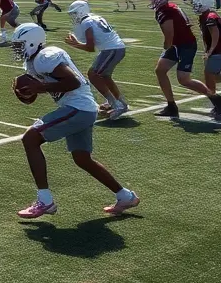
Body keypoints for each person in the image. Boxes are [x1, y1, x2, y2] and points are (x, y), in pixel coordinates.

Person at [9, 23, 140, 218]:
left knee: (30, 138)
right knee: (82, 158)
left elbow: (73, 82)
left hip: (79, 108)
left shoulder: (46, 56)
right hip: (81, 109)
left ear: (32, 42)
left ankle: (45, 201)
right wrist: (29, 91)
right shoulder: (35, 61)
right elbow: (42, 85)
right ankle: (125, 196)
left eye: (20, 45)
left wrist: (40, 88)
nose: (17, 50)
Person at [148, 0, 221, 118]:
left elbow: (169, 35)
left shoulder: (165, 11)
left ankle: (214, 97)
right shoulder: (169, 7)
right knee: (160, 70)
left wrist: (166, 46)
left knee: (184, 80)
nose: (151, 2)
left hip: (184, 45)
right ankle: (171, 106)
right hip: (179, 44)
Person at [64, 1, 128, 119]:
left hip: (112, 49)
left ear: (81, 11)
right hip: (114, 48)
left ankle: (116, 104)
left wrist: (75, 44)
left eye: (74, 13)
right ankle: (120, 102)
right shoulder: (93, 17)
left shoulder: (86, 22)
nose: (73, 16)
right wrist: (77, 43)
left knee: (93, 74)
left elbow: (90, 48)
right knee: (104, 75)